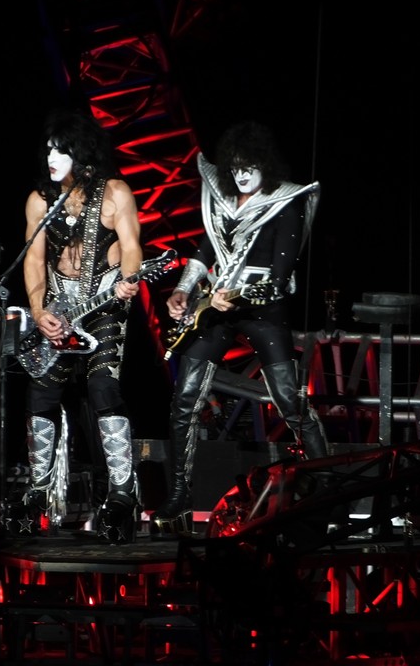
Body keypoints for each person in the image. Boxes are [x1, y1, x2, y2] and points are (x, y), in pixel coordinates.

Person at [151, 120, 328, 537]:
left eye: (249, 166)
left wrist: (235, 297)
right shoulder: (222, 201)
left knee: (289, 401)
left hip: (262, 308)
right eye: (234, 167)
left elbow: (279, 279)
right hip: (215, 307)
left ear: (265, 163)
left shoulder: (286, 203)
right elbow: (205, 250)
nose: (242, 174)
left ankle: (326, 484)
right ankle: (179, 494)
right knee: (184, 399)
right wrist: (183, 290)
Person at [20, 107, 142, 544]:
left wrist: (129, 279)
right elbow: (33, 261)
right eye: (48, 150)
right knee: (41, 392)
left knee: (103, 387)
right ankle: (37, 492)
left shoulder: (115, 193)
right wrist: (39, 312)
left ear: (82, 153)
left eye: (62, 150)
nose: (51, 158)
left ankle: (123, 494)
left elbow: (132, 247)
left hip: (104, 301)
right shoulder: (40, 200)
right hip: (57, 306)